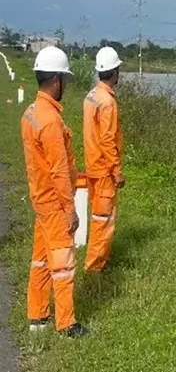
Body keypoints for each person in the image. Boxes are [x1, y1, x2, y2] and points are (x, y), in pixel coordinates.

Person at [21, 46, 89, 338]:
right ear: (56, 80)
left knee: (41, 259)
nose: (66, 85)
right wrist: (70, 209)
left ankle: (37, 316)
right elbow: (59, 170)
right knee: (63, 265)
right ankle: (66, 323)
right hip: (54, 203)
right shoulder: (50, 120)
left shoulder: (32, 111)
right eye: (65, 79)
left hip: (40, 200)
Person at [83, 46, 125, 273]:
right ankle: (95, 267)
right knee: (103, 221)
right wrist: (116, 170)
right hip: (104, 171)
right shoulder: (107, 102)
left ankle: (96, 262)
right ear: (114, 72)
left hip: (93, 166)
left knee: (98, 217)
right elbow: (108, 139)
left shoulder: (91, 96)